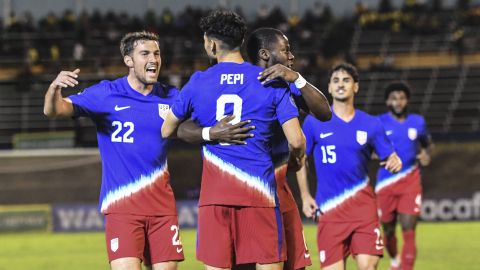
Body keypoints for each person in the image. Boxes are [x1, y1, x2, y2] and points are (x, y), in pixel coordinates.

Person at [42, 31, 246, 270]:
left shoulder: (171, 97)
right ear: (129, 60)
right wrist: (54, 89)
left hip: (163, 209)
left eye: (157, 53)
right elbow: (55, 110)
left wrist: (213, 131)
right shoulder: (106, 93)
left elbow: (194, 125)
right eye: (145, 53)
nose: (154, 59)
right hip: (122, 208)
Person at [175, 27, 332, 270]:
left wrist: (296, 78)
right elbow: (299, 139)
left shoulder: (285, 84)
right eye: (285, 50)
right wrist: (210, 133)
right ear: (265, 54)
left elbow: (324, 112)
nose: (291, 57)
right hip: (257, 193)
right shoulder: (264, 88)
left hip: (274, 189)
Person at [296, 63, 403, 270]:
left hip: (363, 210)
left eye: (346, 80)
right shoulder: (313, 122)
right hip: (329, 210)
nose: (340, 84)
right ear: (328, 88)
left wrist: (395, 162)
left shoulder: (371, 124)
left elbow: (390, 158)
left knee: (368, 267)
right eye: (335, 80)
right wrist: (305, 196)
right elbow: (301, 159)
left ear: (356, 86)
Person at [375, 82, 432, 270]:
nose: (398, 102)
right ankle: (394, 260)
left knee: (409, 228)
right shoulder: (379, 123)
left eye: (401, 98)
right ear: (387, 101)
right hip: (385, 183)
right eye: (393, 98)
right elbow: (369, 149)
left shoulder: (418, 122)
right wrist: (377, 155)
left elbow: (428, 144)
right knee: (389, 230)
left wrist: (426, 154)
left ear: (407, 100)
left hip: (410, 180)